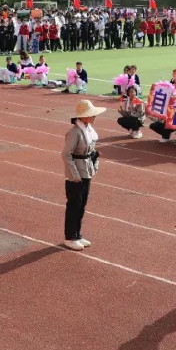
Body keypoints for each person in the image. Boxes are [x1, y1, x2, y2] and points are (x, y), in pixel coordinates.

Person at [62, 99, 98, 244]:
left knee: (82, 204)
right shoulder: (74, 132)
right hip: (76, 174)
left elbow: (93, 151)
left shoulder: (88, 129)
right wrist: (74, 175)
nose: (94, 116)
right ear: (83, 116)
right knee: (74, 204)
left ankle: (77, 234)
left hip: (86, 171)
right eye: (91, 114)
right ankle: (70, 237)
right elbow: (66, 154)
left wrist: (94, 166)